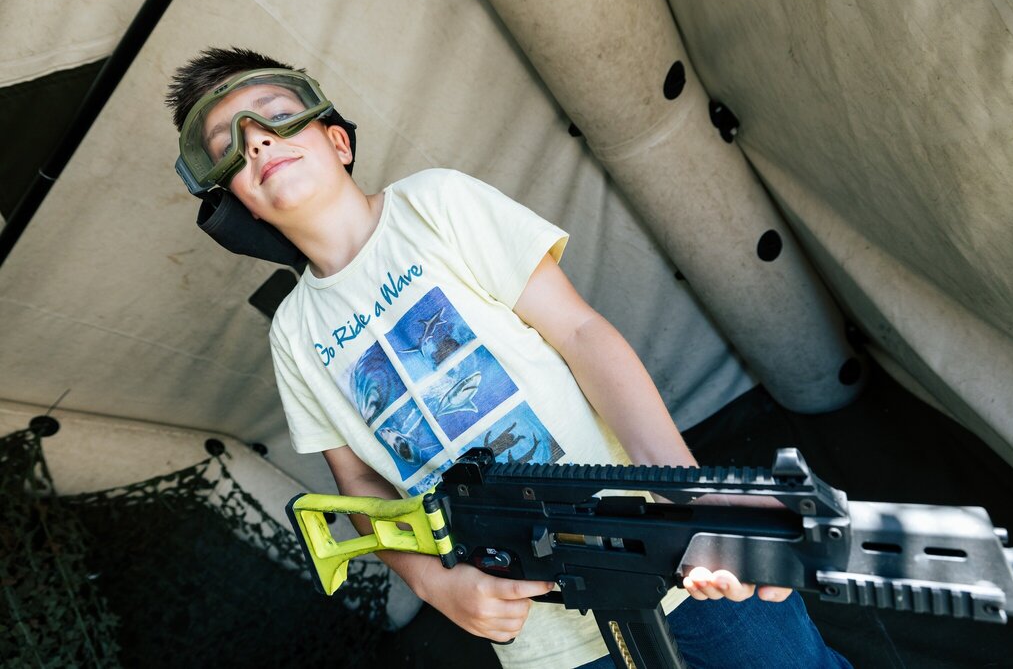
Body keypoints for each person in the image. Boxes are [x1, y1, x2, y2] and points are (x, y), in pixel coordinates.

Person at [167, 47, 850, 669]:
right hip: (548, 639)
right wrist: (434, 585)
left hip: (674, 549)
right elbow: (360, 489)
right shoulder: (292, 333)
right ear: (240, 205)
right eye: (230, 146)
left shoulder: (435, 202)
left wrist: (688, 489)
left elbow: (580, 331)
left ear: (338, 141)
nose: (257, 139)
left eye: (276, 114)